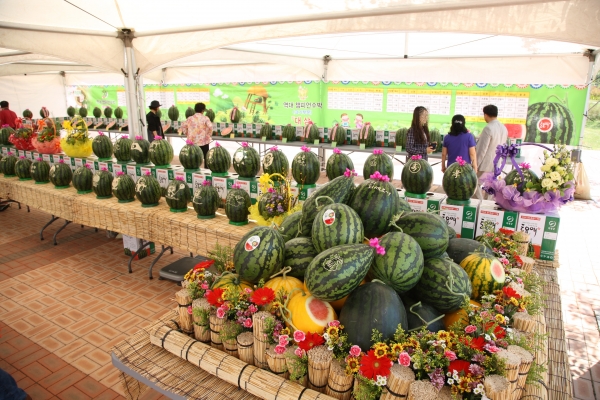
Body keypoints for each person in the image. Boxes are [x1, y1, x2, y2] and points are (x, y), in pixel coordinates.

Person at [475, 104, 508, 177]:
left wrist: (475, 165)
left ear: (486, 115)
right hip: (497, 164)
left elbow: (482, 149)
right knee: (491, 187)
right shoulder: (503, 128)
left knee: (476, 186)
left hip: (485, 166)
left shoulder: (488, 128)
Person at [180, 102, 213, 167]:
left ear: (195, 109)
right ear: (203, 110)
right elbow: (211, 127)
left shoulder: (190, 118)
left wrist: (187, 134)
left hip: (192, 142)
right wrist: (208, 135)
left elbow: (183, 126)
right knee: (206, 157)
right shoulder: (205, 118)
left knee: (193, 158)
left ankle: (193, 171)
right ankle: (206, 171)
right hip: (203, 142)